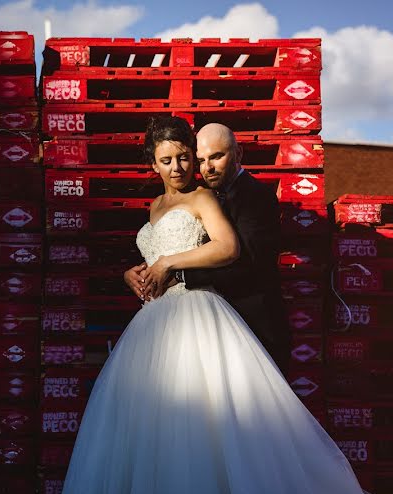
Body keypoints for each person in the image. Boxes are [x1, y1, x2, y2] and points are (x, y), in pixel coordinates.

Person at [45, 116, 393, 494]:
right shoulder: (155, 207)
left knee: (223, 428)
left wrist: (173, 263)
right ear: (152, 164)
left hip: (205, 316)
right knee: (162, 427)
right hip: (154, 322)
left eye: (187, 158)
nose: (181, 167)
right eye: (168, 160)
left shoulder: (212, 197)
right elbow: (150, 259)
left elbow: (232, 250)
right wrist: (132, 273)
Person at [124, 123, 290, 369]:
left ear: (238, 154)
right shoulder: (171, 201)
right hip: (164, 318)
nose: (207, 167)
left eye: (216, 157)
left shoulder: (255, 197)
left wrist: (176, 273)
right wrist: (139, 273)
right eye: (201, 160)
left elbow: (248, 263)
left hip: (253, 321)